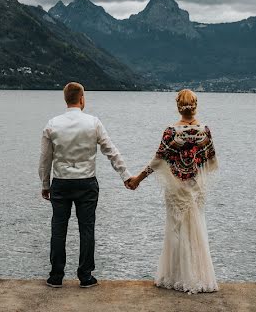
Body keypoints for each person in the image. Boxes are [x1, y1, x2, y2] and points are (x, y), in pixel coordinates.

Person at [38, 82, 133, 288]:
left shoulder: (52, 124)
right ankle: (85, 276)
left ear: (66, 99)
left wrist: (45, 184)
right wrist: (125, 175)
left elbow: (45, 159)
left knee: (58, 229)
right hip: (86, 182)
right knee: (87, 229)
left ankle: (56, 276)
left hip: (61, 183)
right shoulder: (93, 123)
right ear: (82, 98)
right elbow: (111, 151)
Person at [127, 88, 218, 294]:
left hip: (175, 188)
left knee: (176, 230)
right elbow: (210, 161)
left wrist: (138, 179)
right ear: (195, 106)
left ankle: (177, 276)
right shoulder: (205, 131)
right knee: (196, 228)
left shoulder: (171, 131)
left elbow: (158, 160)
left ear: (178, 106)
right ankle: (198, 276)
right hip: (195, 188)